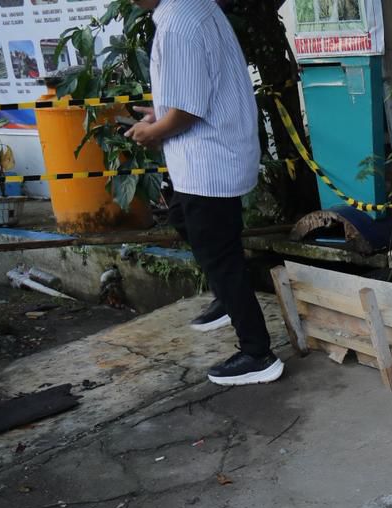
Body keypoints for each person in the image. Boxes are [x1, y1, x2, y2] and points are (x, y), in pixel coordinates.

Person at [126, 0, 282, 387]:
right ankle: (228, 299)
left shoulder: (178, 24)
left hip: (208, 161)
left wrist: (154, 131)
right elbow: (194, 91)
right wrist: (159, 114)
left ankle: (257, 354)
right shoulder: (196, 7)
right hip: (215, 154)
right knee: (184, 220)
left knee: (220, 255)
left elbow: (188, 112)